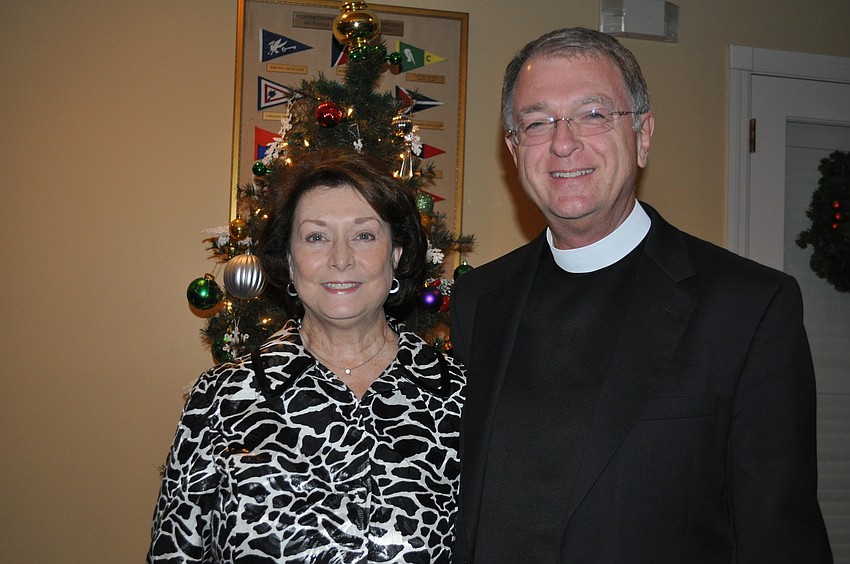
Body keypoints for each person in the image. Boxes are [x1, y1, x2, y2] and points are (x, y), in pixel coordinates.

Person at [449, 27, 832, 563]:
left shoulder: (748, 308)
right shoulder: (479, 300)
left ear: (643, 134)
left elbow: (779, 537)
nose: (563, 143)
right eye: (537, 123)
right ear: (514, 150)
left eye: (592, 114)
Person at [148, 148, 465, 562]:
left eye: (364, 235)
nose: (340, 258)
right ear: (289, 260)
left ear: (396, 254)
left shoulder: (460, 397)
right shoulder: (219, 400)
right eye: (316, 237)